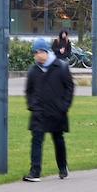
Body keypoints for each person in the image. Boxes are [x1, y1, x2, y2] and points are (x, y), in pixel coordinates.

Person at [23, 37, 75, 181]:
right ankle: (35, 171)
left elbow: (69, 87)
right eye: (36, 52)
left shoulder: (61, 67)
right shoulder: (34, 70)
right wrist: (32, 105)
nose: (39, 55)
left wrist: (64, 106)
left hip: (56, 111)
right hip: (39, 112)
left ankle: (63, 167)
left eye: (41, 52)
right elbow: (29, 90)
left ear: (47, 52)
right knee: (36, 139)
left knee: (58, 139)